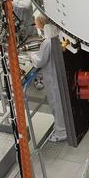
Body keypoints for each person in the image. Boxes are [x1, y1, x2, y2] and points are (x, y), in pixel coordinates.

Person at [31, 12, 68, 143]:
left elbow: (39, 62)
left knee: (56, 105)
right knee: (62, 104)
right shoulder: (58, 36)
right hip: (60, 76)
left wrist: (31, 55)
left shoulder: (48, 42)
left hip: (53, 79)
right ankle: (64, 128)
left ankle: (61, 133)